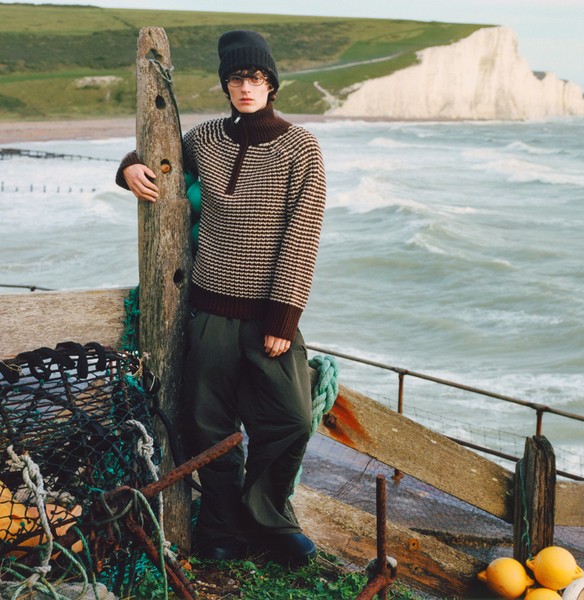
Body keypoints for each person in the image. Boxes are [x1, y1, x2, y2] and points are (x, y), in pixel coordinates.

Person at [116, 30, 326, 566]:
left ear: (271, 84)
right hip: (208, 310)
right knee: (207, 424)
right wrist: (127, 167)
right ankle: (223, 525)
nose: (245, 87)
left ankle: (268, 521)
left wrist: (283, 317)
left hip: (268, 316)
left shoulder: (301, 147)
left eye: (255, 77)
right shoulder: (206, 139)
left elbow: (302, 235)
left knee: (290, 419)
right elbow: (160, 159)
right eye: (236, 78)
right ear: (226, 85)